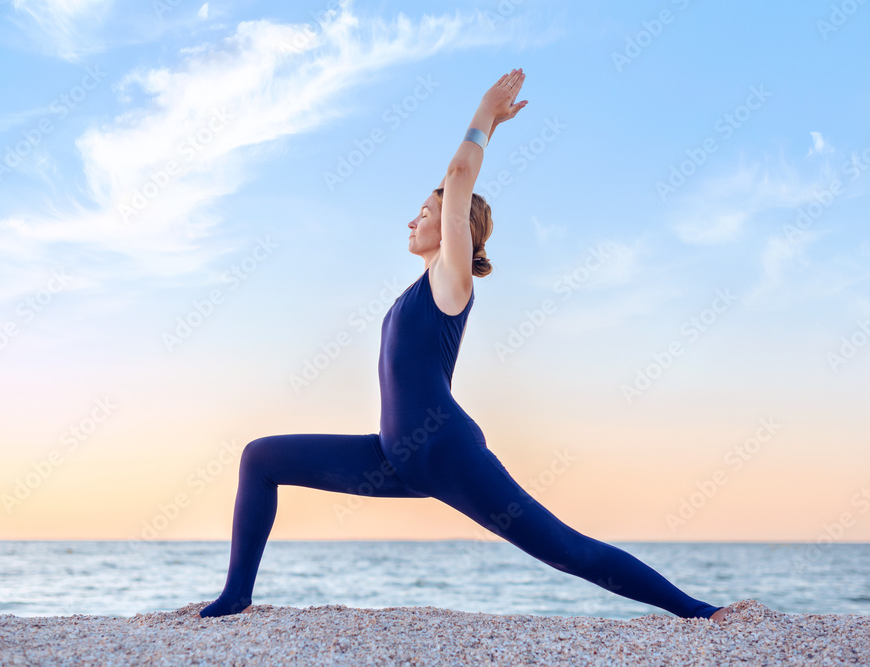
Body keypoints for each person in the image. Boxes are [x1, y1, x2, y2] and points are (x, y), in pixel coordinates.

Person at [197, 68, 732, 623]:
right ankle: (236, 596)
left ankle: (700, 612)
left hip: (445, 452)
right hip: (393, 456)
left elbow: (457, 175)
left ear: (456, 232)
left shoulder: (451, 282)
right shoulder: (415, 288)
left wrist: (485, 116)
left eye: (425, 213)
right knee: (260, 458)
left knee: (565, 550)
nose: (412, 219)